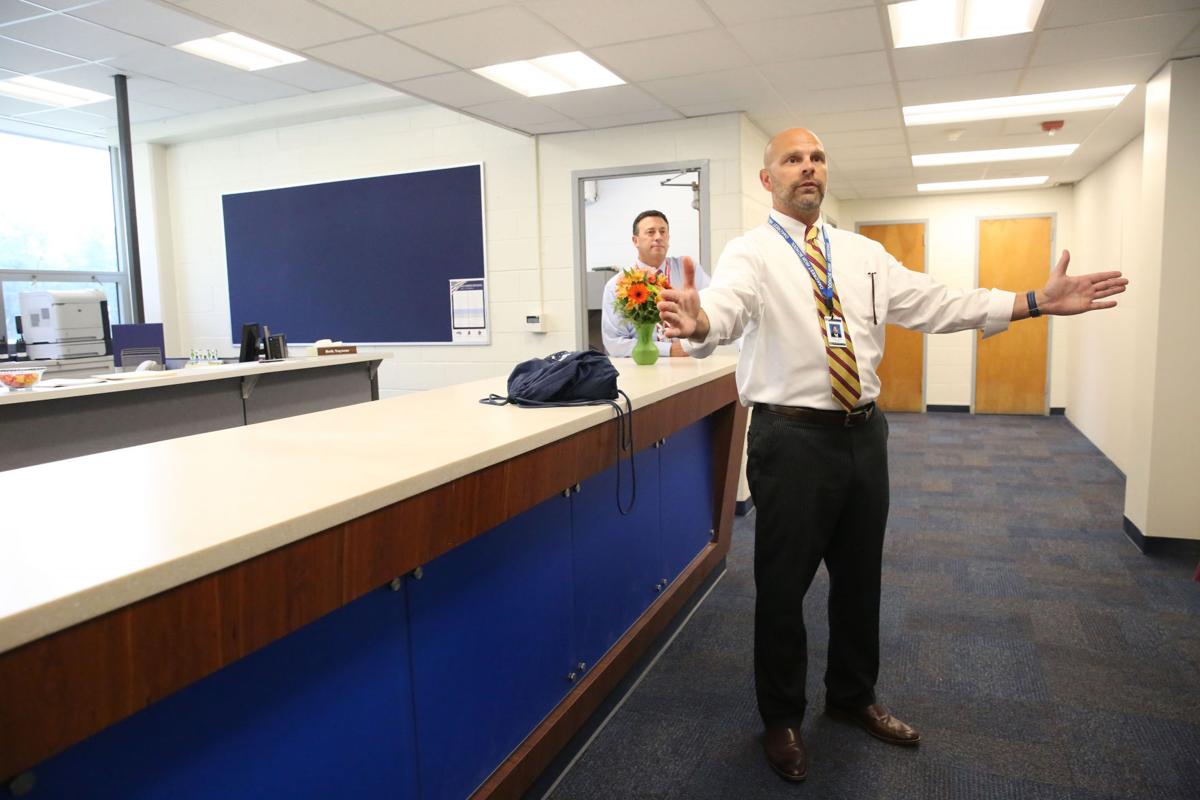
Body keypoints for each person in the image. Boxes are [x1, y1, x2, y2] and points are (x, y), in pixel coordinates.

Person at [657, 128, 1127, 783]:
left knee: (860, 579)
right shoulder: (751, 254)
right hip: (790, 442)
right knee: (783, 590)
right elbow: (726, 311)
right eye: (792, 160)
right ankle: (782, 718)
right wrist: (701, 322)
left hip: (864, 436)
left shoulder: (863, 254)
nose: (808, 168)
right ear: (769, 180)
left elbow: (937, 302)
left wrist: (1032, 302)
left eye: (817, 157)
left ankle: (852, 699)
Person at [601, 210, 710, 358]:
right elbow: (614, 343)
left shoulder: (689, 271)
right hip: (643, 367)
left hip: (691, 361)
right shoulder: (616, 285)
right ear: (635, 241)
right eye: (651, 232)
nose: (658, 237)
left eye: (663, 232)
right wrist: (668, 350)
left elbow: (713, 312)